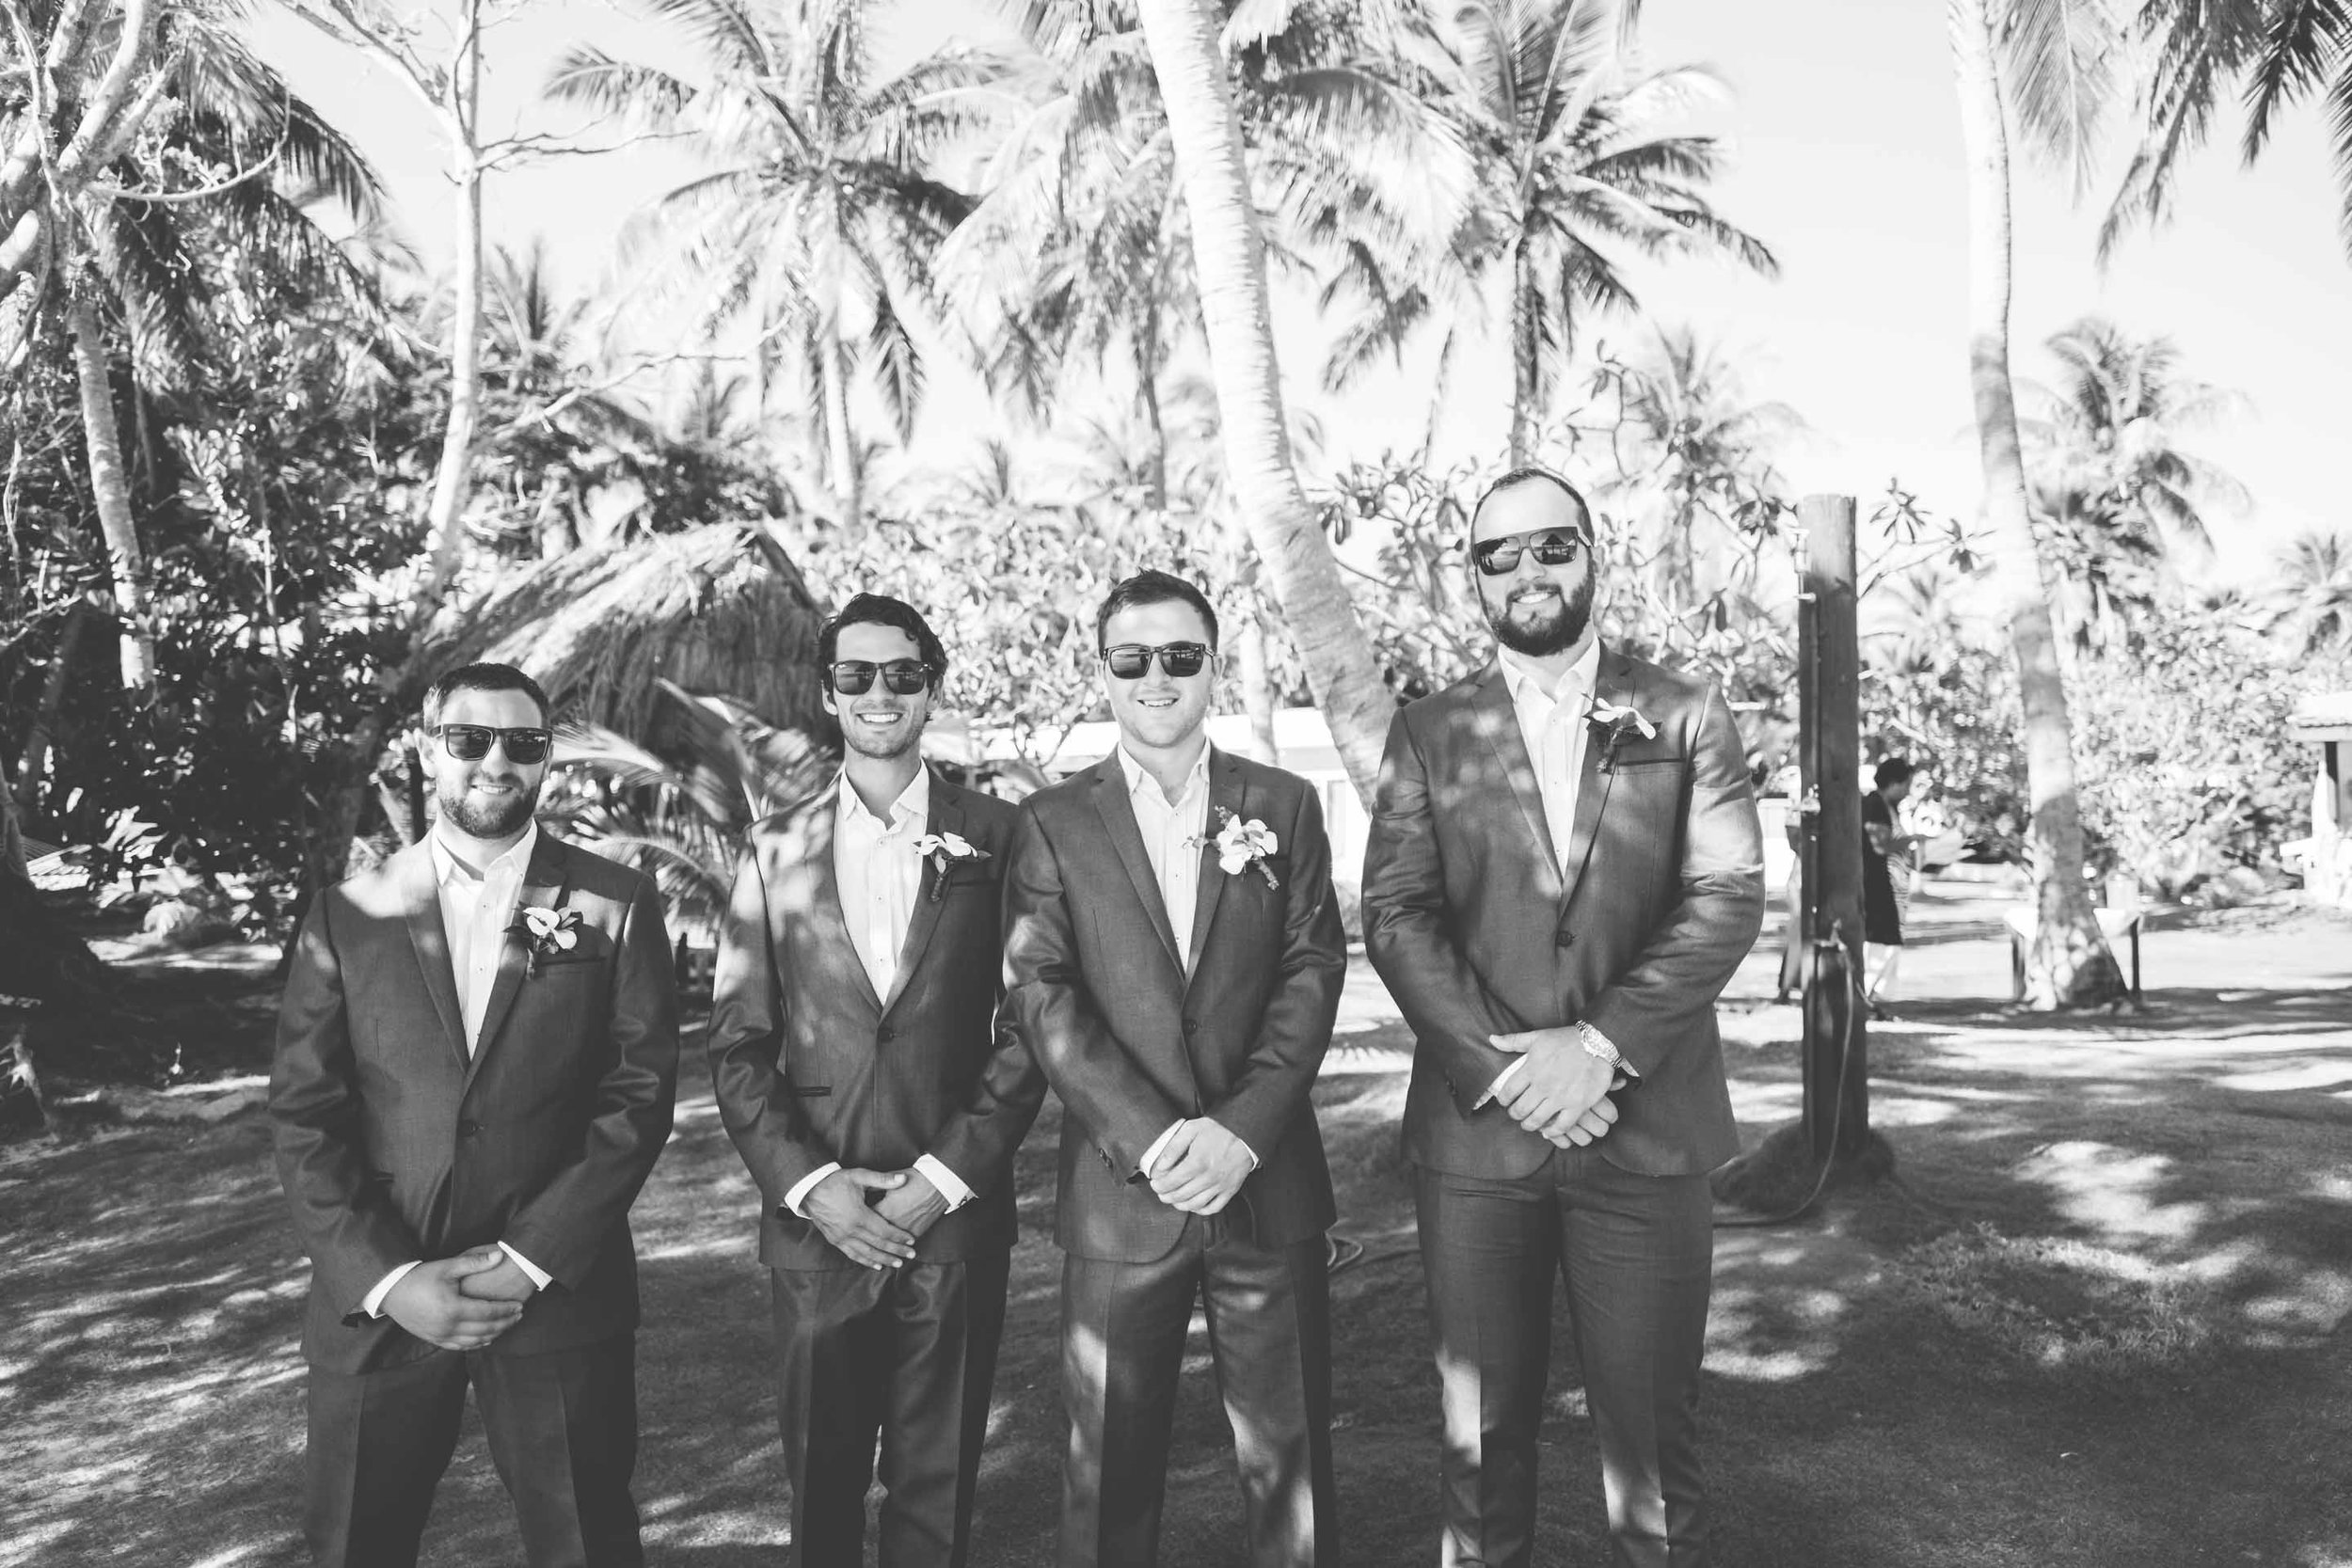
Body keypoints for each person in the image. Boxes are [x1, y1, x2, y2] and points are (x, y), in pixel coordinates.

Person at [1362, 467, 1765, 1568]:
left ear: (1593, 552)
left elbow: (1727, 893)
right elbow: (1395, 913)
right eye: (1498, 554)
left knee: (1653, 1451)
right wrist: (1512, 1070)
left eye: (1549, 545)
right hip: (1477, 1142)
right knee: (1478, 1448)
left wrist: (1598, 1049)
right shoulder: (1428, 727)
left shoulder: (1684, 711)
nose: (1526, 570)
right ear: (1473, 579)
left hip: (1646, 1134)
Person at [270, 662, 681, 1568]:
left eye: (524, 743)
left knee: (587, 1543)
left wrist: (532, 1258)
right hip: (381, 1295)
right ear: (429, 748)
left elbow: (640, 1090)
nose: (496, 761)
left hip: (557, 1291)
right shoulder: (347, 913)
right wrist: (389, 1279)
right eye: (469, 738)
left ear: (546, 761)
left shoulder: (613, 902)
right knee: (354, 1547)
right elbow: (305, 1116)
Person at [1003, 569, 1348, 1568]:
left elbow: (1312, 966)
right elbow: (1038, 988)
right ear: (1103, 670)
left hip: (1266, 1178)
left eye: (1180, 656)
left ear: (1212, 662)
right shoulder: (1053, 818)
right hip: (1121, 1191)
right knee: (1105, 1463)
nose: (1156, 676)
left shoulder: (1281, 803)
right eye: (1131, 657)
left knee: (1291, 1466)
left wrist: (1238, 1130)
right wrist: (1157, 1139)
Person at [707, 593, 1044, 1568]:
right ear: (827, 694)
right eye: (855, 675)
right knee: (820, 1474)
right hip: (817, 1225)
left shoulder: (1002, 833)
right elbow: (736, 1044)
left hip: (955, 1213)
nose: (878, 692)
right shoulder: (774, 846)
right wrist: (813, 1188)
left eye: (901, 672)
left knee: (938, 1479)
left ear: (931, 687)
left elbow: (1030, 1024)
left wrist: (943, 1177)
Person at [1862, 756, 1924, 1016]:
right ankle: (1867, 996)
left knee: (1888, 939)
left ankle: (1873, 999)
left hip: (1891, 885)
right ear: (1894, 783)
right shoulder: (1875, 805)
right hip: (1876, 885)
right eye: (1906, 784)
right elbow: (1879, 845)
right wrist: (1913, 839)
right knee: (1881, 940)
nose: (1909, 791)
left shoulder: (1888, 806)